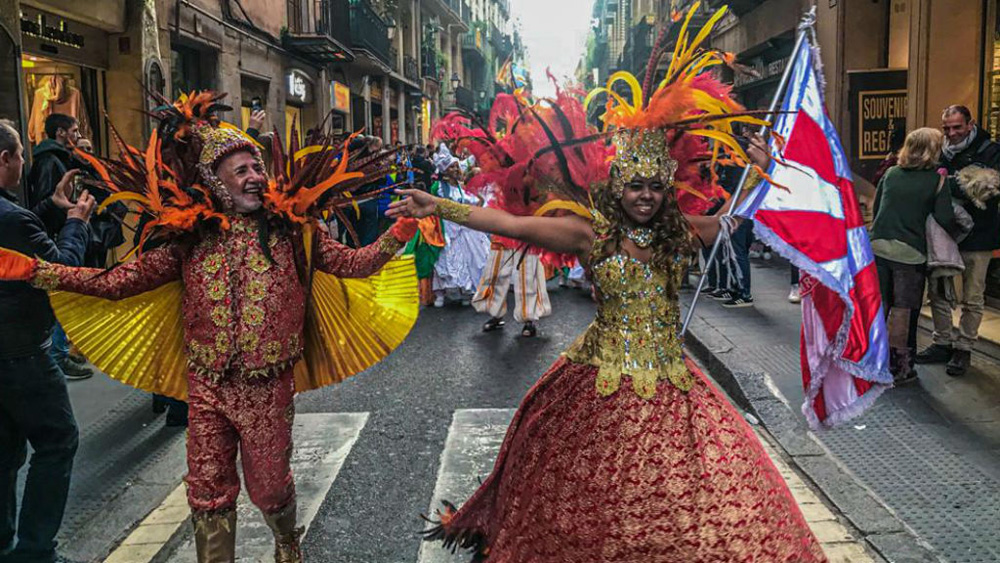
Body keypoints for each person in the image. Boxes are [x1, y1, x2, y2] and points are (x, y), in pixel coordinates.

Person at [390, 18, 825, 557]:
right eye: (634, 186)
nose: (644, 196)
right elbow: (514, 226)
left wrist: (764, 172)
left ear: (666, 191)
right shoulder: (589, 233)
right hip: (599, 375)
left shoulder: (679, 232)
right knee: (584, 485)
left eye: (653, 187)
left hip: (671, 378)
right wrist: (444, 207)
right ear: (618, 189)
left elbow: (738, 221)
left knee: (702, 485)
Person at [0, 95, 419, 563]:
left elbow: (353, 263)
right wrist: (36, 270)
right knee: (207, 492)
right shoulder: (189, 239)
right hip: (207, 385)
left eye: (256, 168)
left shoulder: (296, 231)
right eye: (240, 171)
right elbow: (119, 282)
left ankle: (285, 539)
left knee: (270, 488)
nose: (254, 177)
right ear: (214, 183)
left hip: (267, 386)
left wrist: (398, 233)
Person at [0, 119, 96, 563]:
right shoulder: (12, 218)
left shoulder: (16, 217)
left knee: (4, 452)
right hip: (21, 355)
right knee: (57, 440)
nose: (22, 162)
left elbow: (23, 238)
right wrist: (76, 221)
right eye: (19, 155)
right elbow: (62, 272)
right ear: (6, 160)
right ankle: (35, 552)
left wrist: (52, 209)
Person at [917, 105, 1000, 376]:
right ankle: (942, 341)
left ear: (969, 124)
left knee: (973, 296)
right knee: (939, 291)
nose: (951, 133)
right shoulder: (939, 150)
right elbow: (928, 182)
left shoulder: (990, 151)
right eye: (947, 128)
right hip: (944, 233)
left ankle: (964, 348)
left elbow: (987, 188)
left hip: (979, 237)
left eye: (957, 127)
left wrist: (946, 184)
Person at [871, 128, 957, 384]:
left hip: (877, 247)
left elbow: (877, 210)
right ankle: (901, 368)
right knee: (904, 311)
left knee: (880, 307)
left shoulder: (890, 173)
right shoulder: (936, 180)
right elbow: (945, 218)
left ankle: (873, 364)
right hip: (910, 253)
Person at [25, 113, 94, 380]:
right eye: (75, 131)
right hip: (55, 237)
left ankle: (60, 353)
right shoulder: (49, 162)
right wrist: (70, 217)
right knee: (59, 291)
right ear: (62, 133)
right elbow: (46, 203)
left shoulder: (59, 159)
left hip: (59, 233)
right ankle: (58, 355)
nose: (78, 136)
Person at [430, 147, 489, 307]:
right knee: (448, 261)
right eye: (452, 167)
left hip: (465, 228)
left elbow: (470, 201)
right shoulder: (439, 188)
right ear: (444, 171)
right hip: (448, 230)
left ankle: (467, 291)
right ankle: (442, 293)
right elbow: (435, 208)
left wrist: (477, 200)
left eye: (456, 166)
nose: (456, 169)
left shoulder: (461, 186)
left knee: (471, 259)